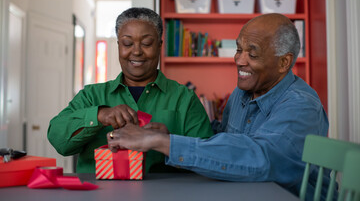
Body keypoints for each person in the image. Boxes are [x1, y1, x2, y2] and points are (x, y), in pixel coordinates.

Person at [107, 13, 331, 200]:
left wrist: (163, 142)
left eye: (252, 54)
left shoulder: (301, 106)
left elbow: (262, 160)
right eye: (238, 49)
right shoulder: (242, 93)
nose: (239, 60)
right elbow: (227, 140)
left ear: (284, 62)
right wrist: (174, 134)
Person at [47, 7, 213, 173]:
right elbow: (58, 140)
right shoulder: (92, 96)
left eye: (146, 43)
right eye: (127, 43)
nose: (136, 51)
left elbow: (209, 159)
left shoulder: (184, 98)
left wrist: (167, 142)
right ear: (119, 45)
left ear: (160, 45)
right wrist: (99, 116)